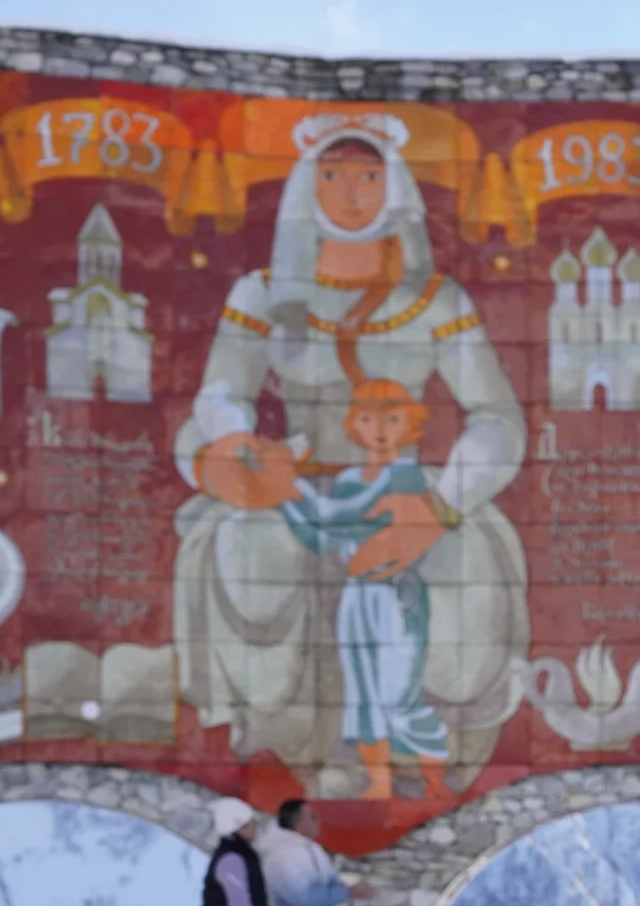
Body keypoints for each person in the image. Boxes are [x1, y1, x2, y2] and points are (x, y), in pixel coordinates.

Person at [171, 111, 527, 792]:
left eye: (369, 176)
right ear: (308, 187)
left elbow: (498, 418)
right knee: (254, 546)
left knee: (456, 564)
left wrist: (439, 506)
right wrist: (223, 466)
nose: (352, 194)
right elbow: (210, 409)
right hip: (295, 487)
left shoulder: (435, 299)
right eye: (332, 176)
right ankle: (286, 737)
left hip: (404, 486)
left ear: (395, 189)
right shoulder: (262, 293)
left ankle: (417, 737)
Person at [274, 378, 451, 799]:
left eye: (393, 418)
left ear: (410, 424)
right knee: (364, 694)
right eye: (369, 418)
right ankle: (379, 782)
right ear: (355, 424)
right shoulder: (350, 478)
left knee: (399, 695)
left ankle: (436, 782)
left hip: (396, 594)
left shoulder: (408, 477)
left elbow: (345, 517)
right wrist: (284, 498)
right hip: (358, 598)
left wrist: (288, 486)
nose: (380, 429)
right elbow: (322, 538)